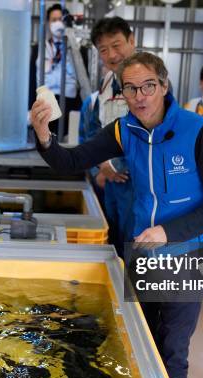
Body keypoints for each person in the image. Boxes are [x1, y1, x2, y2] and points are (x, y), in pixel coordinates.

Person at [31, 52, 203, 378]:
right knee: (141, 338)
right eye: (131, 88)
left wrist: (169, 232)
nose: (140, 96)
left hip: (186, 257)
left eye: (148, 86)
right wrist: (44, 136)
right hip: (142, 252)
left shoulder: (198, 131)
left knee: (172, 348)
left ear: (164, 85)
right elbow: (73, 160)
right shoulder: (124, 130)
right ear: (122, 92)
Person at [78, 17, 136, 257]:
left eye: (117, 45)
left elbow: (153, 134)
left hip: (138, 183)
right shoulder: (104, 88)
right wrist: (99, 170)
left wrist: (114, 165)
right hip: (109, 182)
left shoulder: (153, 82)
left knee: (138, 248)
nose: (112, 55)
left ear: (132, 41)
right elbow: (91, 133)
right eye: (104, 49)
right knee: (112, 245)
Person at [36, 3, 81, 138]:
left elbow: (76, 76)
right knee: (48, 138)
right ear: (48, 24)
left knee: (67, 138)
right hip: (47, 99)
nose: (57, 23)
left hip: (69, 99)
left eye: (60, 19)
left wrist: (52, 70)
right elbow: (41, 75)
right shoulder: (43, 47)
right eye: (53, 20)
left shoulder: (75, 48)